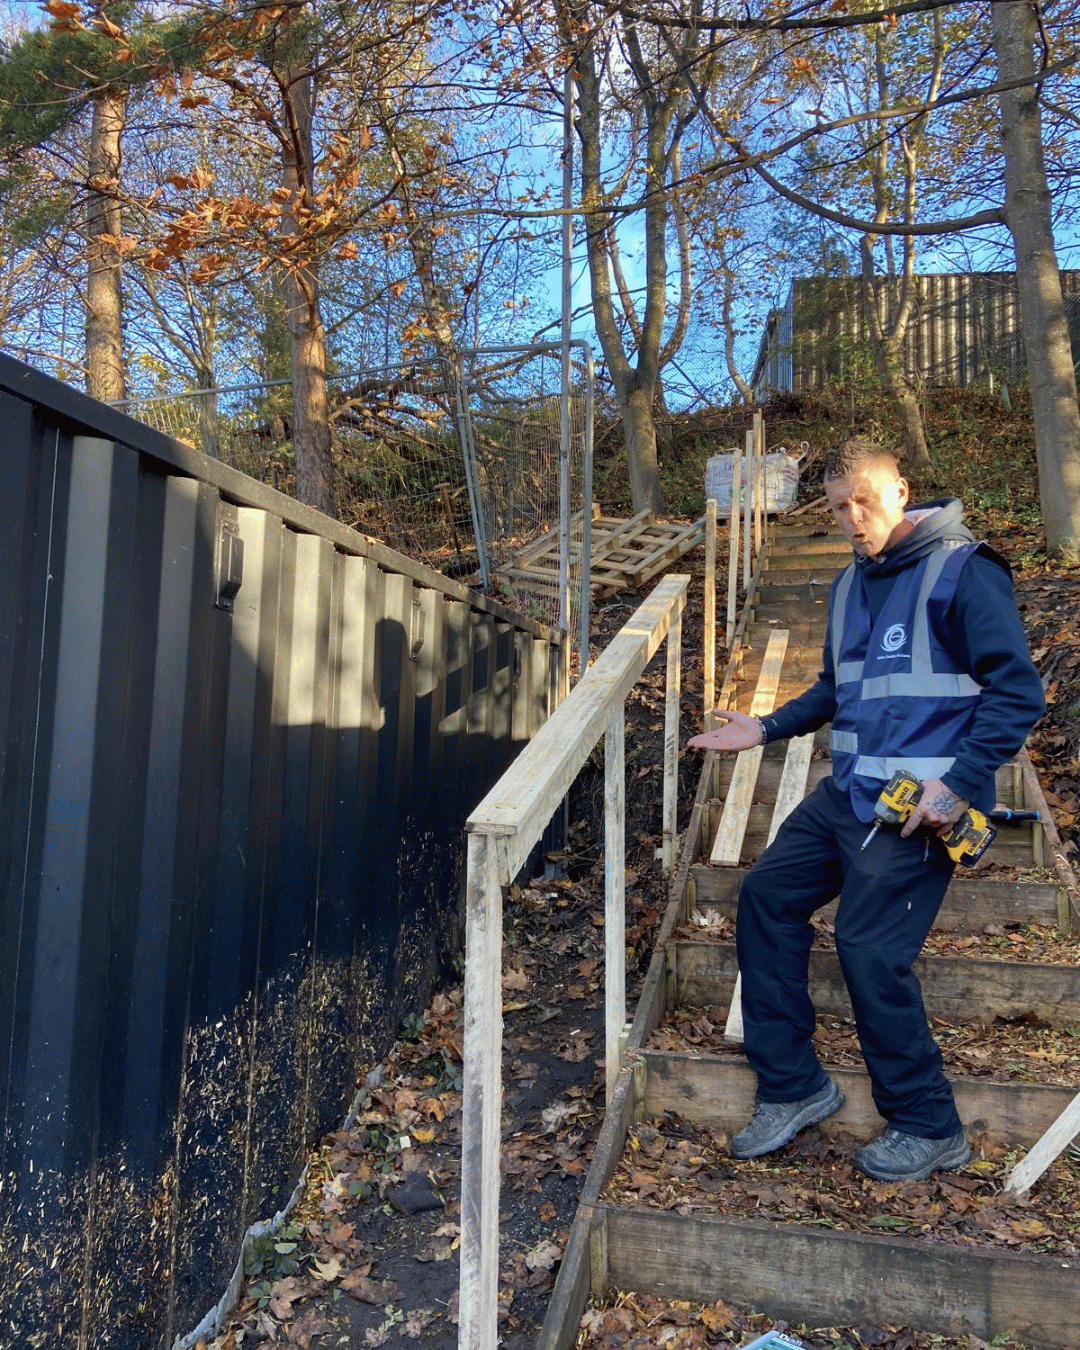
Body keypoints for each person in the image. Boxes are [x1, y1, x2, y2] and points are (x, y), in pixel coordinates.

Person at [688, 438, 1045, 1182]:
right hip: (849, 795)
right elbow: (835, 691)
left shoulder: (964, 571)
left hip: (923, 809)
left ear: (901, 491)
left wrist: (962, 782)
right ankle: (794, 1088)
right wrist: (765, 727)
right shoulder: (850, 583)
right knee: (766, 897)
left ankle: (928, 1122)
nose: (853, 518)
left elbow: (1018, 693)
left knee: (869, 951)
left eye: (866, 501)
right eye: (838, 507)